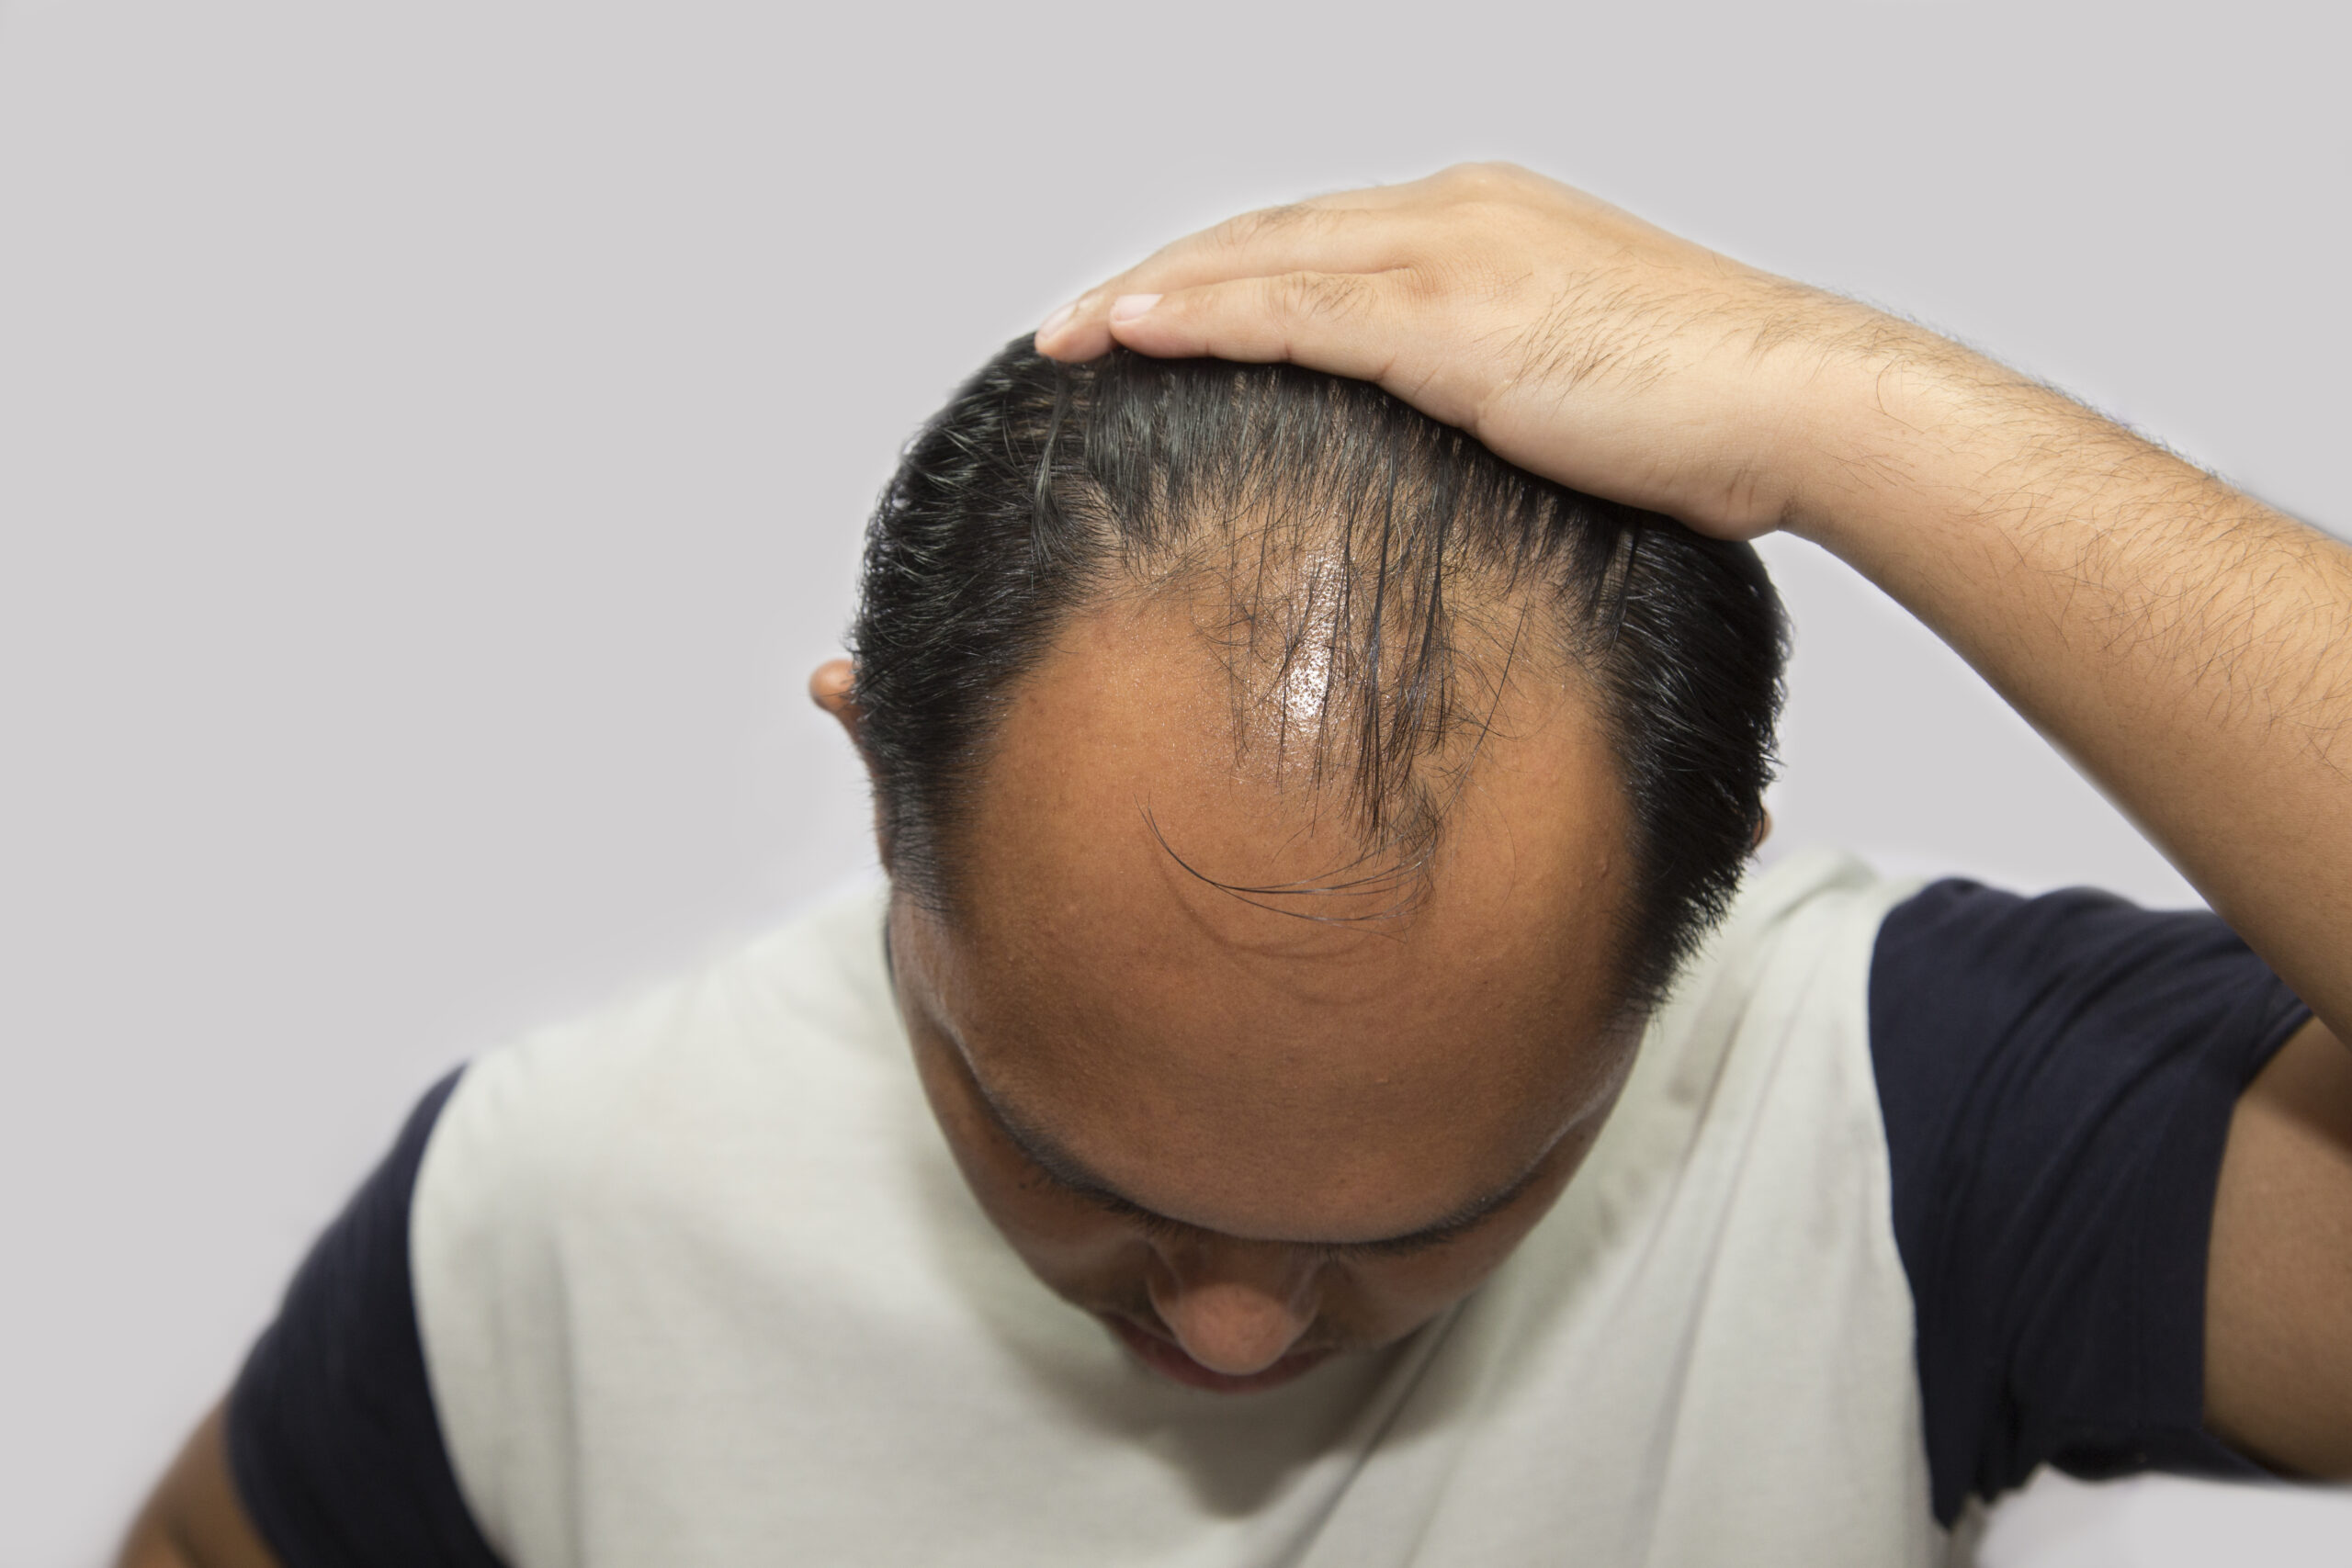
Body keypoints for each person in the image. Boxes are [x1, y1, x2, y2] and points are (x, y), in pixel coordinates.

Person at [118, 164, 2352, 1567]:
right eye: (1065, 1149)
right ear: (882, 794)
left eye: (1421, 1207)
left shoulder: (1891, 1114)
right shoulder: (563, 1205)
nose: (1225, 1321)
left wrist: (1850, 405)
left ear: (1700, 921)